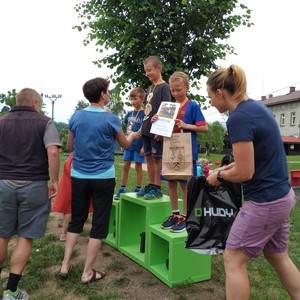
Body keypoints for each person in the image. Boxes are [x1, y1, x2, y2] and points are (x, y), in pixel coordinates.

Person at [206, 64, 300, 300]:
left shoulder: (237, 117)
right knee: (278, 256)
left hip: (266, 201)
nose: (210, 103)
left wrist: (219, 176)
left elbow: (245, 172)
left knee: (233, 259)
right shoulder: (256, 107)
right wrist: (228, 167)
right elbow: (257, 156)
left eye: (210, 97)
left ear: (220, 93)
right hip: (283, 196)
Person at [59, 77, 140, 284]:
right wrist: (135, 135)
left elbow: (70, 147)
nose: (109, 94)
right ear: (103, 94)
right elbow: (126, 145)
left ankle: (65, 264)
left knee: (77, 219)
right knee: (99, 224)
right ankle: (87, 272)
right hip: (103, 178)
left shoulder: (76, 116)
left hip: (79, 176)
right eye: (108, 91)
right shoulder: (111, 119)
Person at [0, 88, 61, 300]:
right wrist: (54, 181)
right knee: (25, 236)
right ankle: (11, 291)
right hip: (34, 184)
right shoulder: (45, 122)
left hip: (3, 184)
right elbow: (53, 151)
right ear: (35, 103)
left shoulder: (2, 121)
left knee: (2, 234)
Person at [153, 71, 208, 232]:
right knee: (171, 181)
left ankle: (185, 216)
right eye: (173, 90)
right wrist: (157, 127)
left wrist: (186, 125)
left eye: (179, 90)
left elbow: (204, 127)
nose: (175, 93)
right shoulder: (168, 107)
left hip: (187, 150)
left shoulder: (193, 106)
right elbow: (165, 129)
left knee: (185, 184)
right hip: (170, 149)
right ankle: (175, 214)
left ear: (187, 88)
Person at [137, 56, 172, 200]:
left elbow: (167, 110)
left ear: (159, 68)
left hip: (156, 130)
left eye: (149, 70)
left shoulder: (164, 87)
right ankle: (151, 184)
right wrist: (141, 128)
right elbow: (147, 109)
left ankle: (158, 187)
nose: (147, 74)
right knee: (149, 157)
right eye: (146, 71)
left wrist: (162, 130)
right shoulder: (150, 87)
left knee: (157, 159)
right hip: (146, 129)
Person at [51, 152, 93, 242]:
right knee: (70, 208)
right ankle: (65, 233)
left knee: (69, 207)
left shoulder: (74, 153)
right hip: (74, 177)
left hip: (71, 174)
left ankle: (66, 232)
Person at [114, 87, 146, 199]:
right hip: (128, 144)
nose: (133, 102)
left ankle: (138, 188)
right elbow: (125, 128)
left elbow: (146, 131)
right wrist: (123, 143)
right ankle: (122, 188)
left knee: (138, 166)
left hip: (139, 145)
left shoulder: (145, 113)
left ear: (142, 99)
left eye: (135, 99)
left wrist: (144, 146)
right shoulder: (129, 114)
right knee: (126, 165)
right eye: (131, 99)